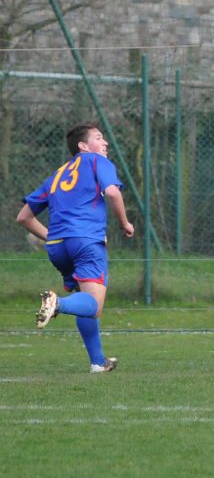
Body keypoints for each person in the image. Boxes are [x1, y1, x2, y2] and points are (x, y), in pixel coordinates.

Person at [17, 123, 134, 373]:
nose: (105, 143)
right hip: (86, 242)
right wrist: (125, 223)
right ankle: (57, 303)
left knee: (84, 298)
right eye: (99, 138)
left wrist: (52, 238)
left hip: (57, 248)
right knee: (93, 304)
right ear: (83, 146)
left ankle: (98, 362)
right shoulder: (96, 161)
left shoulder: (57, 175)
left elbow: (23, 217)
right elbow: (113, 193)